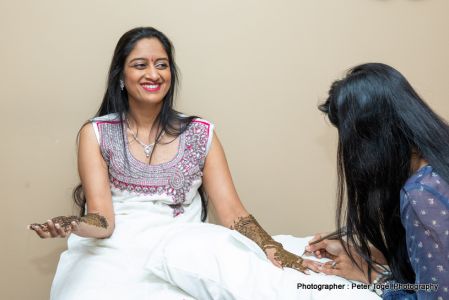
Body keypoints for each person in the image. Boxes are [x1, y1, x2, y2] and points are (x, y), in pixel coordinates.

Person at [27, 27, 311, 299]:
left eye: (161, 65)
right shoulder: (96, 133)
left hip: (183, 250)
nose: (153, 74)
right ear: (121, 76)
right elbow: (102, 221)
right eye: (140, 65)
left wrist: (270, 246)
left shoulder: (200, 133)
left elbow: (233, 213)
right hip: (112, 251)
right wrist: (73, 224)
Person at [306, 63, 449, 299]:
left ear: (370, 139)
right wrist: (367, 254)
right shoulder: (437, 165)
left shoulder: (423, 194)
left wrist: (372, 278)